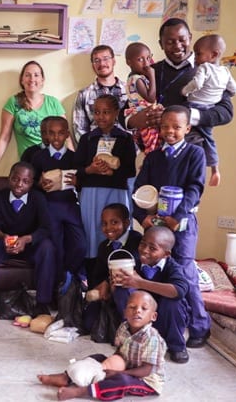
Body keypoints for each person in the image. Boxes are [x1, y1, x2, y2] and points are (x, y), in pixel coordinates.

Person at [132, 105, 211, 353]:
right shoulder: (153, 157)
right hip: (155, 226)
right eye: (165, 126)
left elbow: (195, 188)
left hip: (182, 224)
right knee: (154, 272)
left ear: (187, 128)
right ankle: (160, 324)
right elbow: (139, 189)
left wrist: (177, 217)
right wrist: (143, 217)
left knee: (186, 273)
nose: (170, 131)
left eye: (176, 127)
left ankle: (199, 326)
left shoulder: (195, 154)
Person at [122, 18, 233, 178]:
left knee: (185, 200)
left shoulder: (209, 70)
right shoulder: (150, 71)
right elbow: (125, 110)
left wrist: (187, 116)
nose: (177, 46)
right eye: (170, 42)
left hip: (190, 151)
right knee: (149, 200)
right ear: (160, 44)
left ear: (190, 37)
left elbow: (225, 113)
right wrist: (134, 120)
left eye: (182, 40)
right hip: (156, 154)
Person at [37, 290, 166, 400]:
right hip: (127, 365)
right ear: (125, 312)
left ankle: (81, 391)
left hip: (146, 379)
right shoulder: (123, 327)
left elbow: (146, 370)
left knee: (122, 381)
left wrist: (119, 373)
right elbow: (120, 350)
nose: (137, 311)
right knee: (98, 357)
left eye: (144, 308)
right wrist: (110, 363)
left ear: (153, 316)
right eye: (132, 307)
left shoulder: (152, 338)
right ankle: (66, 377)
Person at [0, 161, 56, 316]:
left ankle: (42, 302)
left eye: (26, 181)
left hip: (29, 246)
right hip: (4, 244)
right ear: (9, 178)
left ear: (32, 183)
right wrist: (4, 237)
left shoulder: (38, 198)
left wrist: (26, 239)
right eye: (16, 179)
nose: (20, 184)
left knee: (47, 246)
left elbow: (46, 228)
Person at [113, 226, 190, 363]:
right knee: (122, 291)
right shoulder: (133, 263)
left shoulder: (173, 267)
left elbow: (179, 290)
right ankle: (131, 338)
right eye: (142, 244)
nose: (144, 250)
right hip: (142, 316)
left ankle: (177, 346)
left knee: (173, 302)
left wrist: (140, 283)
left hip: (164, 317)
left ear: (166, 254)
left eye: (152, 248)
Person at [73, 95, 136, 261]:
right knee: (93, 229)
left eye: (106, 112)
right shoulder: (87, 139)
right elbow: (77, 169)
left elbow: (130, 171)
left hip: (117, 193)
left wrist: (112, 172)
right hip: (91, 194)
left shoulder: (126, 139)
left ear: (116, 113)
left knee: (116, 229)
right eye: (97, 112)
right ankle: (92, 270)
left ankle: (119, 263)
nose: (101, 116)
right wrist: (90, 170)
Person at [0, 60, 67, 185]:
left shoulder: (53, 103)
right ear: (22, 80)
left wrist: (73, 166)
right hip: (29, 166)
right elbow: (4, 137)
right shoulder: (13, 102)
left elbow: (66, 137)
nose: (32, 79)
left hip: (53, 163)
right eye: (27, 75)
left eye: (36, 75)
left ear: (42, 80)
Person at [30, 116, 86, 284]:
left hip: (70, 205)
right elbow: (30, 182)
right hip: (49, 207)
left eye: (61, 133)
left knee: (80, 244)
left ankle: (69, 272)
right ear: (46, 135)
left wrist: (78, 182)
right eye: (52, 134)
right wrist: (39, 184)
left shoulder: (74, 157)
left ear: (67, 134)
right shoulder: (38, 157)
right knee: (56, 245)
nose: (56, 138)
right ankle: (59, 284)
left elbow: (83, 182)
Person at [181, 34, 236, 187]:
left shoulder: (204, 67)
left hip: (194, 107)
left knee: (180, 127)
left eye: (198, 53)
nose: (195, 58)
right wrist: (219, 94)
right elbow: (235, 90)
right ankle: (215, 170)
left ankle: (207, 172)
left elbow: (197, 84)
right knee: (209, 139)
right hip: (209, 107)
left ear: (214, 55)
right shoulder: (225, 72)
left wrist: (184, 91)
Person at [83, 203, 142, 333]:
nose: (108, 227)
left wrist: (110, 284)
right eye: (104, 223)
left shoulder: (137, 241)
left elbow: (137, 269)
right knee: (89, 323)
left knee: (122, 291)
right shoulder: (104, 247)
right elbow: (98, 274)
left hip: (130, 290)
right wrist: (103, 286)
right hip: (109, 292)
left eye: (114, 222)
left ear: (126, 223)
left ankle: (131, 330)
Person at [72, 45, 128, 143]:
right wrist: (90, 150)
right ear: (93, 65)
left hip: (127, 147)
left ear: (114, 61)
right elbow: (79, 129)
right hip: (96, 151)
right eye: (97, 60)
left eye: (106, 59)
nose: (101, 63)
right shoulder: (84, 94)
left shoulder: (130, 91)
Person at [124, 42, 161, 155]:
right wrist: (152, 76)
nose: (146, 63)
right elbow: (151, 98)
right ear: (129, 62)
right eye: (140, 59)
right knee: (152, 146)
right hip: (143, 116)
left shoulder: (138, 77)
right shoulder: (137, 79)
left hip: (145, 115)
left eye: (148, 58)